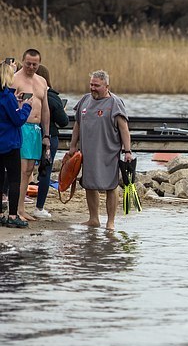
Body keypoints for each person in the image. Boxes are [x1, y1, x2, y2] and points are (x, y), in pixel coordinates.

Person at [68, 70, 133, 230]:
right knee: (89, 185)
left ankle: (110, 222)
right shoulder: (84, 100)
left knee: (111, 186)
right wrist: (73, 145)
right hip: (88, 152)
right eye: (91, 84)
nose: (93, 88)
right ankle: (94, 219)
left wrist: (128, 151)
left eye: (96, 85)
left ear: (106, 86)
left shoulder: (115, 103)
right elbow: (77, 124)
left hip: (109, 152)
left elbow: (124, 129)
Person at [11, 50, 49, 222]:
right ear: (23, 61)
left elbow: (45, 109)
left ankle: (21, 208)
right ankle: (15, 209)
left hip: (36, 129)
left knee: (29, 171)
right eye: (28, 63)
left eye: (35, 64)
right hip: (21, 127)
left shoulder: (42, 81)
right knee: (21, 169)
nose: (31, 67)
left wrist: (46, 134)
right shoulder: (15, 79)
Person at [32, 64, 69, 218]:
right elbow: (64, 121)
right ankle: (39, 207)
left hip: (29, 134)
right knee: (45, 171)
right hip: (49, 136)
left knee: (23, 170)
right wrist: (62, 111)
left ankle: (12, 202)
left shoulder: (26, 92)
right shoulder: (52, 97)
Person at [1, 58, 33, 228]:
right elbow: (18, 120)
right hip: (10, 143)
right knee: (14, 180)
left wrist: (16, 102)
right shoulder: (7, 97)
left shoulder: (8, 97)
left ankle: (0, 213)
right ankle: (13, 215)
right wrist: (26, 106)